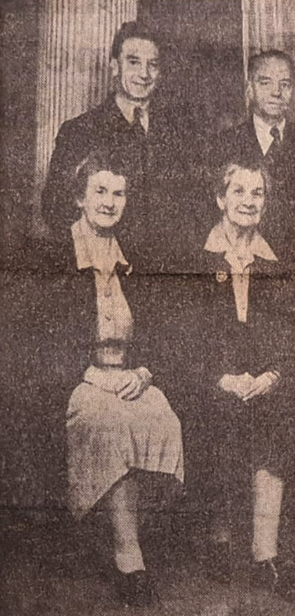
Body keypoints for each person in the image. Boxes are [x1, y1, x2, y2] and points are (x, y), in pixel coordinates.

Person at [36, 150, 184, 608]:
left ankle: (121, 530)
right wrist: (93, 377)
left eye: (118, 193)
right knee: (112, 421)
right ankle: (128, 555)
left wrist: (143, 373)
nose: (109, 201)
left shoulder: (133, 256)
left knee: (161, 413)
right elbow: (37, 340)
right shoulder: (52, 256)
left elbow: (161, 329)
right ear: (79, 197)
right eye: (99, 191)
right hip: (75, 379)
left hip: (128, 376)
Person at [180, 159, 295, 598]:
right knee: (215, 417)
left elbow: (292, 335)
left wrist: (273, 375)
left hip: (263, 381)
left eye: (257, 193)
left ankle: (264, 553)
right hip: (208, 379)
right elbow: (184, 339)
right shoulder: (196, 258)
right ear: (220, 198)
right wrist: (221, 379)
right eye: (238, 192)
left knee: (281, 415)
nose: (248, 201)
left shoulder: (275, 261)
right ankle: (219, 538)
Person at [41, 21, 193, 269]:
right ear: (114, 67)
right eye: (133, 62)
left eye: (152, 65)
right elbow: (54, 208)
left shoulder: (178, 133)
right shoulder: (79, 131)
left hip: (165, 275)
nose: (144, 74)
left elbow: (189, 205)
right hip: (107, 271)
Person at [211, 49, 295, 270]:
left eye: (284, 84)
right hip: (242, 267)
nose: (276, 92)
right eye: (265, 83)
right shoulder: (223, 145)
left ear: (292, 90)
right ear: (250, 89)